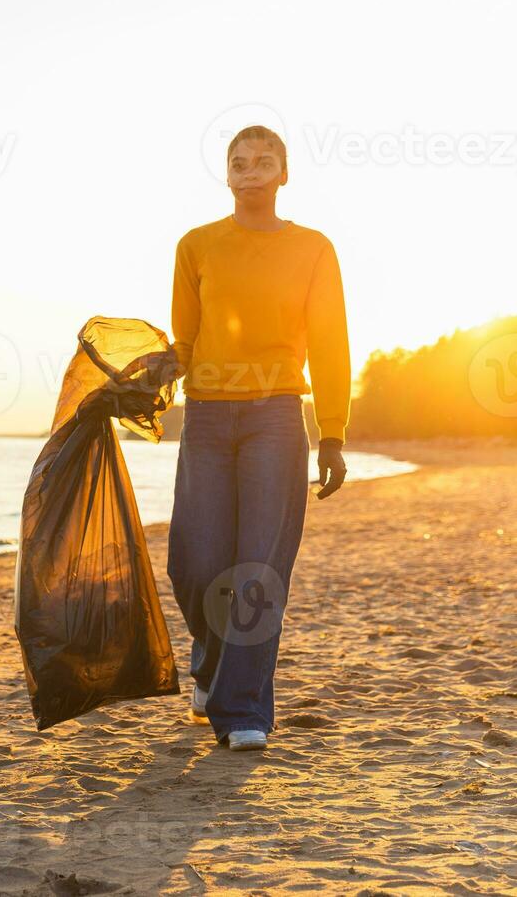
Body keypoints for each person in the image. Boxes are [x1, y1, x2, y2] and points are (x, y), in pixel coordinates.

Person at [165, 125, 349, 752]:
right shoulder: (196, 246)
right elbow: (184, 343)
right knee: (195, 563)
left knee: (258, 568)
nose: (250, 169)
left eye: (263, 161)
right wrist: (151, 372)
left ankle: (243, 707)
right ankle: (212, 661)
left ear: (283, 173)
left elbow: (329, 344)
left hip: (276, 416)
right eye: (239, 162)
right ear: (228, 174)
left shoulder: (314, 249)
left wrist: (332, 432)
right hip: (209, 417)